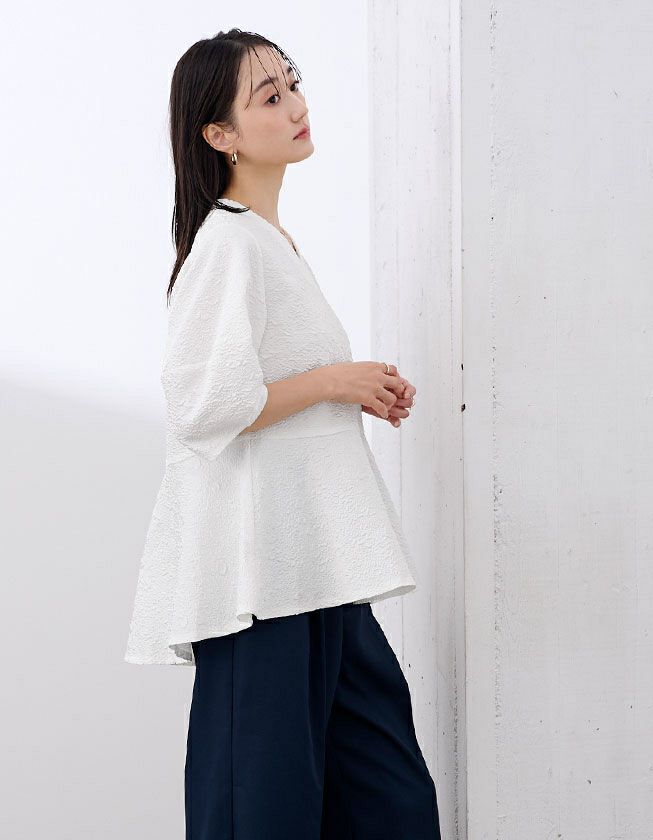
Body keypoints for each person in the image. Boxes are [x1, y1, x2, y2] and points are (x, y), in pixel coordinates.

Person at [124, 27, 442, 840]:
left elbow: (260, 392)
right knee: (261, 812)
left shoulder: (266, 242)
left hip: (318, 571)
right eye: (270, 97)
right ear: (218, 134)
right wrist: (334, 382)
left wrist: (350, 390)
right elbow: (201, 404)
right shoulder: (226, 246)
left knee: (391, 802)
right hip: (259, 584)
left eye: (293, 85)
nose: (297, 106)